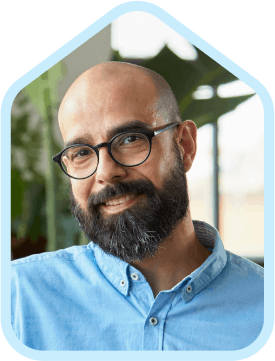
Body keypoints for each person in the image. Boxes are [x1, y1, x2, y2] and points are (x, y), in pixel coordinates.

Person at [11, 62, 263, 351]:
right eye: (81, 152)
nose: (105, 172)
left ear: (185, 146)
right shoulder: (17, 298)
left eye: (130, 139)